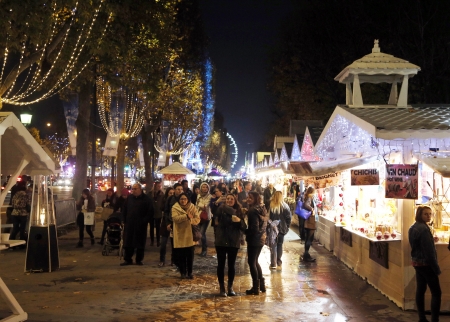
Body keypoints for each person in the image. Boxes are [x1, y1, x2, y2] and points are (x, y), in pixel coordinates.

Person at [409, 205, 441, 322]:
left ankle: (422, 318)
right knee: (436, 293)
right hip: (427, 265)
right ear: (419, 215)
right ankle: (434, 320)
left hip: (417, 263)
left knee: (420, 290)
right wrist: (436, 268)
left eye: (430, 214)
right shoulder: (423, 230)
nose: (428, 216)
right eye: (425, 214)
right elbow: (429, 252)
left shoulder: (413, 227)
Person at [214, 193, 247, 297]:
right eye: (227, 199)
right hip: (221, 240)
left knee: (231, 265)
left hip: (233, 241)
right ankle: (222, 288)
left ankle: (230, 287)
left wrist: (239, 221)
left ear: (235, 200)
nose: (229, 200)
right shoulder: (221, 209)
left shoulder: (239, 211)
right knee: (221, 264)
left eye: (231, 199)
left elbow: (244, 227)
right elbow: (214, 221)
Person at [121, 183, 153, 266]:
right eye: (133, 189)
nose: (133, 191)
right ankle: (128, 259)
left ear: (140, 189)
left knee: (140, 242)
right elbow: (124, 209)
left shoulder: (146, 199)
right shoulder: (129, 198)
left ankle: (139, 259)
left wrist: (145, 221)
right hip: (130, 224)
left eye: (135, 189)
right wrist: (124, 220)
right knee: (128, 242)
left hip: (141, 225)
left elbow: (150, 212)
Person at [245, 191, 268, 295]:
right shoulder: (261, 208)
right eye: (248, 197)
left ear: (255, 198)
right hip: (261, 238)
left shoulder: (253, 211)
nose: (248, 199)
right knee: (255, 261)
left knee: (251, 262)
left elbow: (254, 228)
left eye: (250, 197)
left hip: (254, 239)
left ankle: (255, 288)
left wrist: (242, 228)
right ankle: (261, 285)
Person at [172, 192, 200, 279]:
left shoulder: (192, 207)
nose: (183, 201)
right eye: (181, 199)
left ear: (188, 200)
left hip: (190, 235)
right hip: (180, 234)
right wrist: (186, 216)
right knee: (181, 255)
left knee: (190, 255)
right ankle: (182, 272)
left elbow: (197, 218)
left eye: (185, 199)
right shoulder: (175, 208)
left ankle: (190, 272)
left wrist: (190, 221)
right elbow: (175, 219)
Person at [268, 191, 292, 270]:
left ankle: (273, 263)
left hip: (272, 228)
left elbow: (268, 218)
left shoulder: (270, 205)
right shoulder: (285, 206)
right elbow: (288, 218)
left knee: (273, 245)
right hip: (282, 228)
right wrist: (287, 227)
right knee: (280, 244)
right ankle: (278, 261)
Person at [159, 187, 174, 267]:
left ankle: (173, 260)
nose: (171, 195)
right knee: (163, 243)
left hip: (173, 224)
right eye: (170, 193)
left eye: (172, 193)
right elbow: (162, 209)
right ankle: (162, 260)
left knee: (173, 244)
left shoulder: (176, 201)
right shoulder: (164, 201)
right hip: (165, 224)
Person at [196, 182, 212, 257]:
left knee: (201, 233)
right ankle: (204, 249)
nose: (205, 188)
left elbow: (205, 206)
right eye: (203, 187)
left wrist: (200, 204)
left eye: (206, 187)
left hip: (206, 217)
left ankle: (204, 250)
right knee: (201, 233)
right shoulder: (199, 195)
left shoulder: (209, 196)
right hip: (198, 216)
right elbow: (197, 205)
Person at [301, 187, 316, 262]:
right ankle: (306, 255)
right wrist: (312, 209)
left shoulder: (307, 197)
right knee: (309, 238)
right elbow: (305, 205)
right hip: (310, 221)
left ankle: (306, 254)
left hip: (308, 221)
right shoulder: (309, 198)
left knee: (308, 238)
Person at [148, 181, 164, 247]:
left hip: (158, 212)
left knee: (158, 227)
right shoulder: (150, 194)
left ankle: (158, 241)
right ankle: (152, 241)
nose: (159, 187)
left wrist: (161, 208)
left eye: (160, 186)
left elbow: (163, 202)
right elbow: (148, 201)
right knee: (151, 227)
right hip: (151, 212)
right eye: (158, 186)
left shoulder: (161, 194)